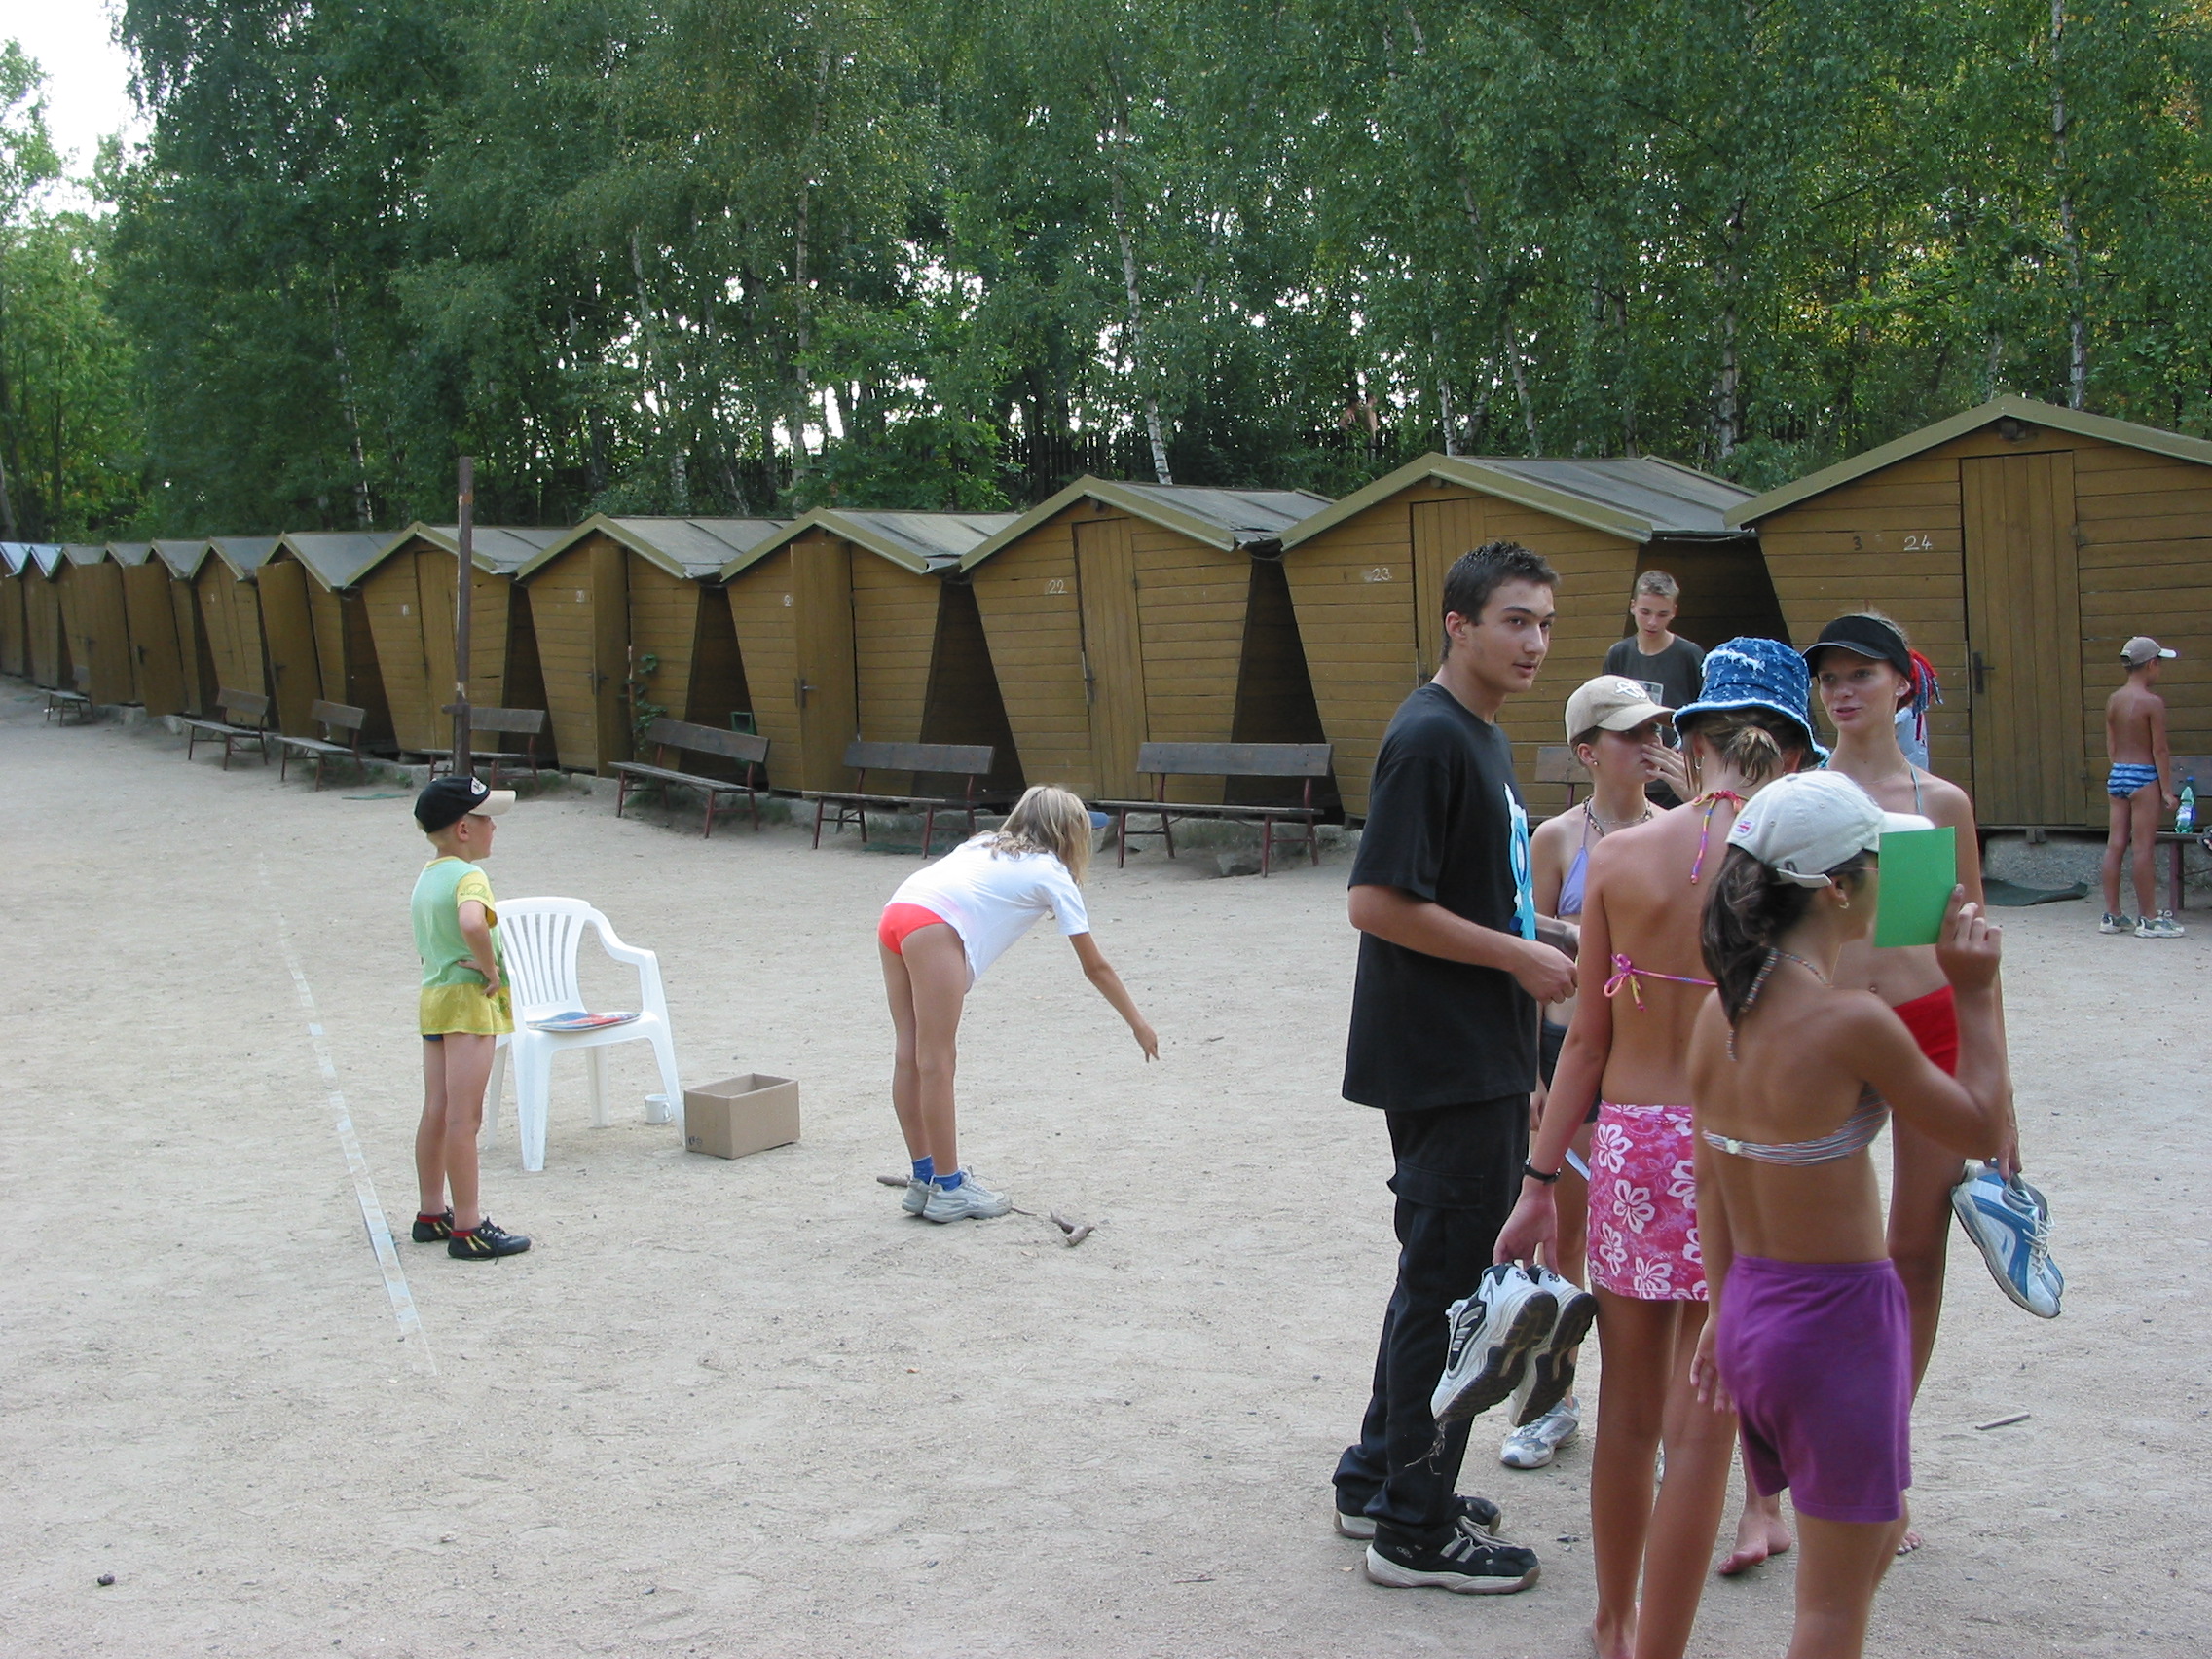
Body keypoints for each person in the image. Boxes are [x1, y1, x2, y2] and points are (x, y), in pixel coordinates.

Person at [1494, 638, 1820, 1659]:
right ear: (1798, 756)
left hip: (1633, 1146)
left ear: (1687, 740)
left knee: (1630, 1415)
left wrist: (1540, 1177)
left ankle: (1610, 1619)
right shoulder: (1813, 867)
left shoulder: (1622, 857)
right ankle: (1659, 1646)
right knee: (1703, 1425)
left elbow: (1584, 1037)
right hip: (1751, 1153)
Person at [1687, 770, 2009, 1659]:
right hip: (1838, 1325)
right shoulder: (1852, 1021)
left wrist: (1722, 1310)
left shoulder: (1717, 1013)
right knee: (1829, 1617)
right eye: (1877, 860)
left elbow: (1710, 1185)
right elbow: (1979, 1125)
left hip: (1755, 1307)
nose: (1889, 876)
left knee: (1878, 1527)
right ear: (1837, 888)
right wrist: (1974, 991)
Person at [1330, 539, 1578, 1598]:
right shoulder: (1429, 737)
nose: (1534, 642)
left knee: (1429, 1275)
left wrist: (1545, 933)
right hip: (1443, 1057)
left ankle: (1377, 1475)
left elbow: (1475, 896)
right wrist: (1519, 955)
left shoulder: (1481, 738)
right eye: (1515, 620)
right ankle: (1413, 1531)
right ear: (1458, 625)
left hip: (1475, 1048)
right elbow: (1375, 900)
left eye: (1545, 624)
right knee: (1457, 1293)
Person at [1794, 611, 2021, 1562]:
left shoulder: (1938, 804)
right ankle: (1804, 1461)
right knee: (1811, 1258)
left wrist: (1996, 1098)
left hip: (1925, 1028)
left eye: (1862, 673)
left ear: (1902, 684)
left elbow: (1964, 950)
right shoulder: (1799, 798)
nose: (1843, 690)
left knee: (1914, 1252)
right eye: (1830, 677)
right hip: (1826, 1037)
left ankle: (1881, 1460)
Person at [1501, 675, 1686, 1473]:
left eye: (1657, 729)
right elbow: (1524, 956)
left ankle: (1658, 1415)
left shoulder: (1685, 831)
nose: (1651, 743)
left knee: (1663, 1247)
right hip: (1565, 1053)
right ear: (1586, 753)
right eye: (1628, 734)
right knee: (1564, 1236)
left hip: (1648, 1065)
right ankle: (1552, 1401)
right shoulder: (1558, 840)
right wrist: (1528, 1076)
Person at [878, 785, 1158, 1223]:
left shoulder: (982, 842)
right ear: (1068, 834)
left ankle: (924, 1177)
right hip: (934, 928)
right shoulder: (1050, 873)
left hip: (898, 912)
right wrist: (1137, 1022)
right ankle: (949, 1188)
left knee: (909, 1053)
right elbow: (1094, 965)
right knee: (936, 1061)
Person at [410, 774, 531, 1261]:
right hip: (468, 1003)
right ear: (464, 828)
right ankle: (468, 1226)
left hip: (435, 999)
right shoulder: (469, 877)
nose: (493, 829)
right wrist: (490, 968)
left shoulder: (428, 873)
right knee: (466, 1118)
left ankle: (430, 1212)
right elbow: (470, 921)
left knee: (436, 1110)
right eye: (487, 819)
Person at [2100, 636, 2183, 938]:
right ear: (2151, 664)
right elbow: (2159, 749)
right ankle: (2148, 918)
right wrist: (2165, 790)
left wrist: (2117, 768)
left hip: (2118, 772)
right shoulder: (2152, 703)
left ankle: (2112, 914)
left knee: (2115, 844)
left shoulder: (2114, 699)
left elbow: (2110, 742)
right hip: (2144, 775)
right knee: (2143, 849)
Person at [1603, 571, 1705, 809]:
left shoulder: (1690, 655)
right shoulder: (1619, 654)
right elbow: (1607, 712)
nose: (1652, 623)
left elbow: (1705, 717)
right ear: (1633, 607)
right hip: (1628, 777)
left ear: (1674, 611)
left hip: (1675, 781)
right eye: (1645, 612)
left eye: (1662, 615)